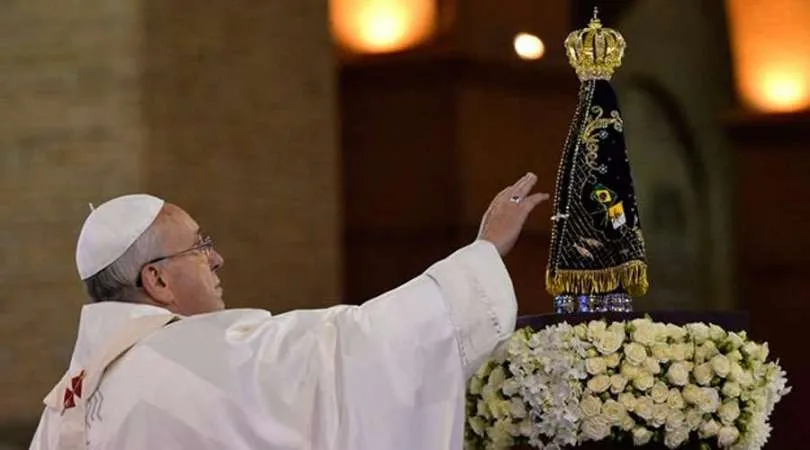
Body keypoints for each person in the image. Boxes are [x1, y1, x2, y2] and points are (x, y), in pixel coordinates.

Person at [30, 173, 549, 450]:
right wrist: (480, 256)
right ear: (158, 280)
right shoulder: (193, 358)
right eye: (199, 246)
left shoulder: (64, 406)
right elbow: (346, 350)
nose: (216, 258)